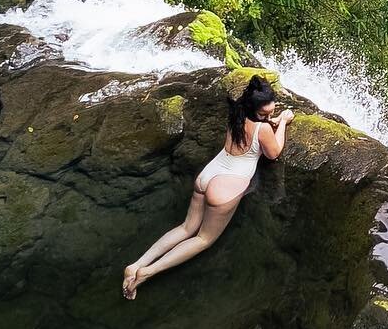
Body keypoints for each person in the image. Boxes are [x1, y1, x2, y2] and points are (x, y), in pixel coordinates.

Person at [122, 75, 292, 297]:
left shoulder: (237, 112)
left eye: (271, 112)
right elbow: (274, 152)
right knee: (203, 239)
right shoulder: (264, 129)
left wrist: (271, 119)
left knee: (186, 228)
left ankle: (135, 264)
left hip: (210, 173)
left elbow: (255, 126)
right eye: (264, 114)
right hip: (226, 186)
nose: (268, 116)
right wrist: (283, 123)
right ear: (255, 110)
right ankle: (148, 272)